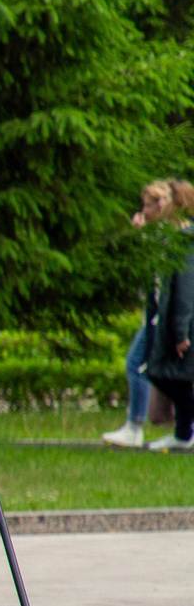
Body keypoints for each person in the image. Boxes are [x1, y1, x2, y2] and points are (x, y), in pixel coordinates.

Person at [105, 180, 192, 448]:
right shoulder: (166, 236)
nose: (149, 210)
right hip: (160, 316)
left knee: (150, 368)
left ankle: (143, 427)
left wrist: (179, 329)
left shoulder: (182, 238)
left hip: (170, 319)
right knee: (159, 371)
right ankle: (178, 432)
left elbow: (182, 289)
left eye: (155, 203)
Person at [144, 198, 194, 453]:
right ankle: (184, 433)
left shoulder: (185, 243)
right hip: (169, 321)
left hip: (178, 323)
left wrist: (181, 331)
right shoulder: (174, 240)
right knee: (173, 377)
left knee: (165, 374)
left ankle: (185, 432)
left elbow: (185, 291)